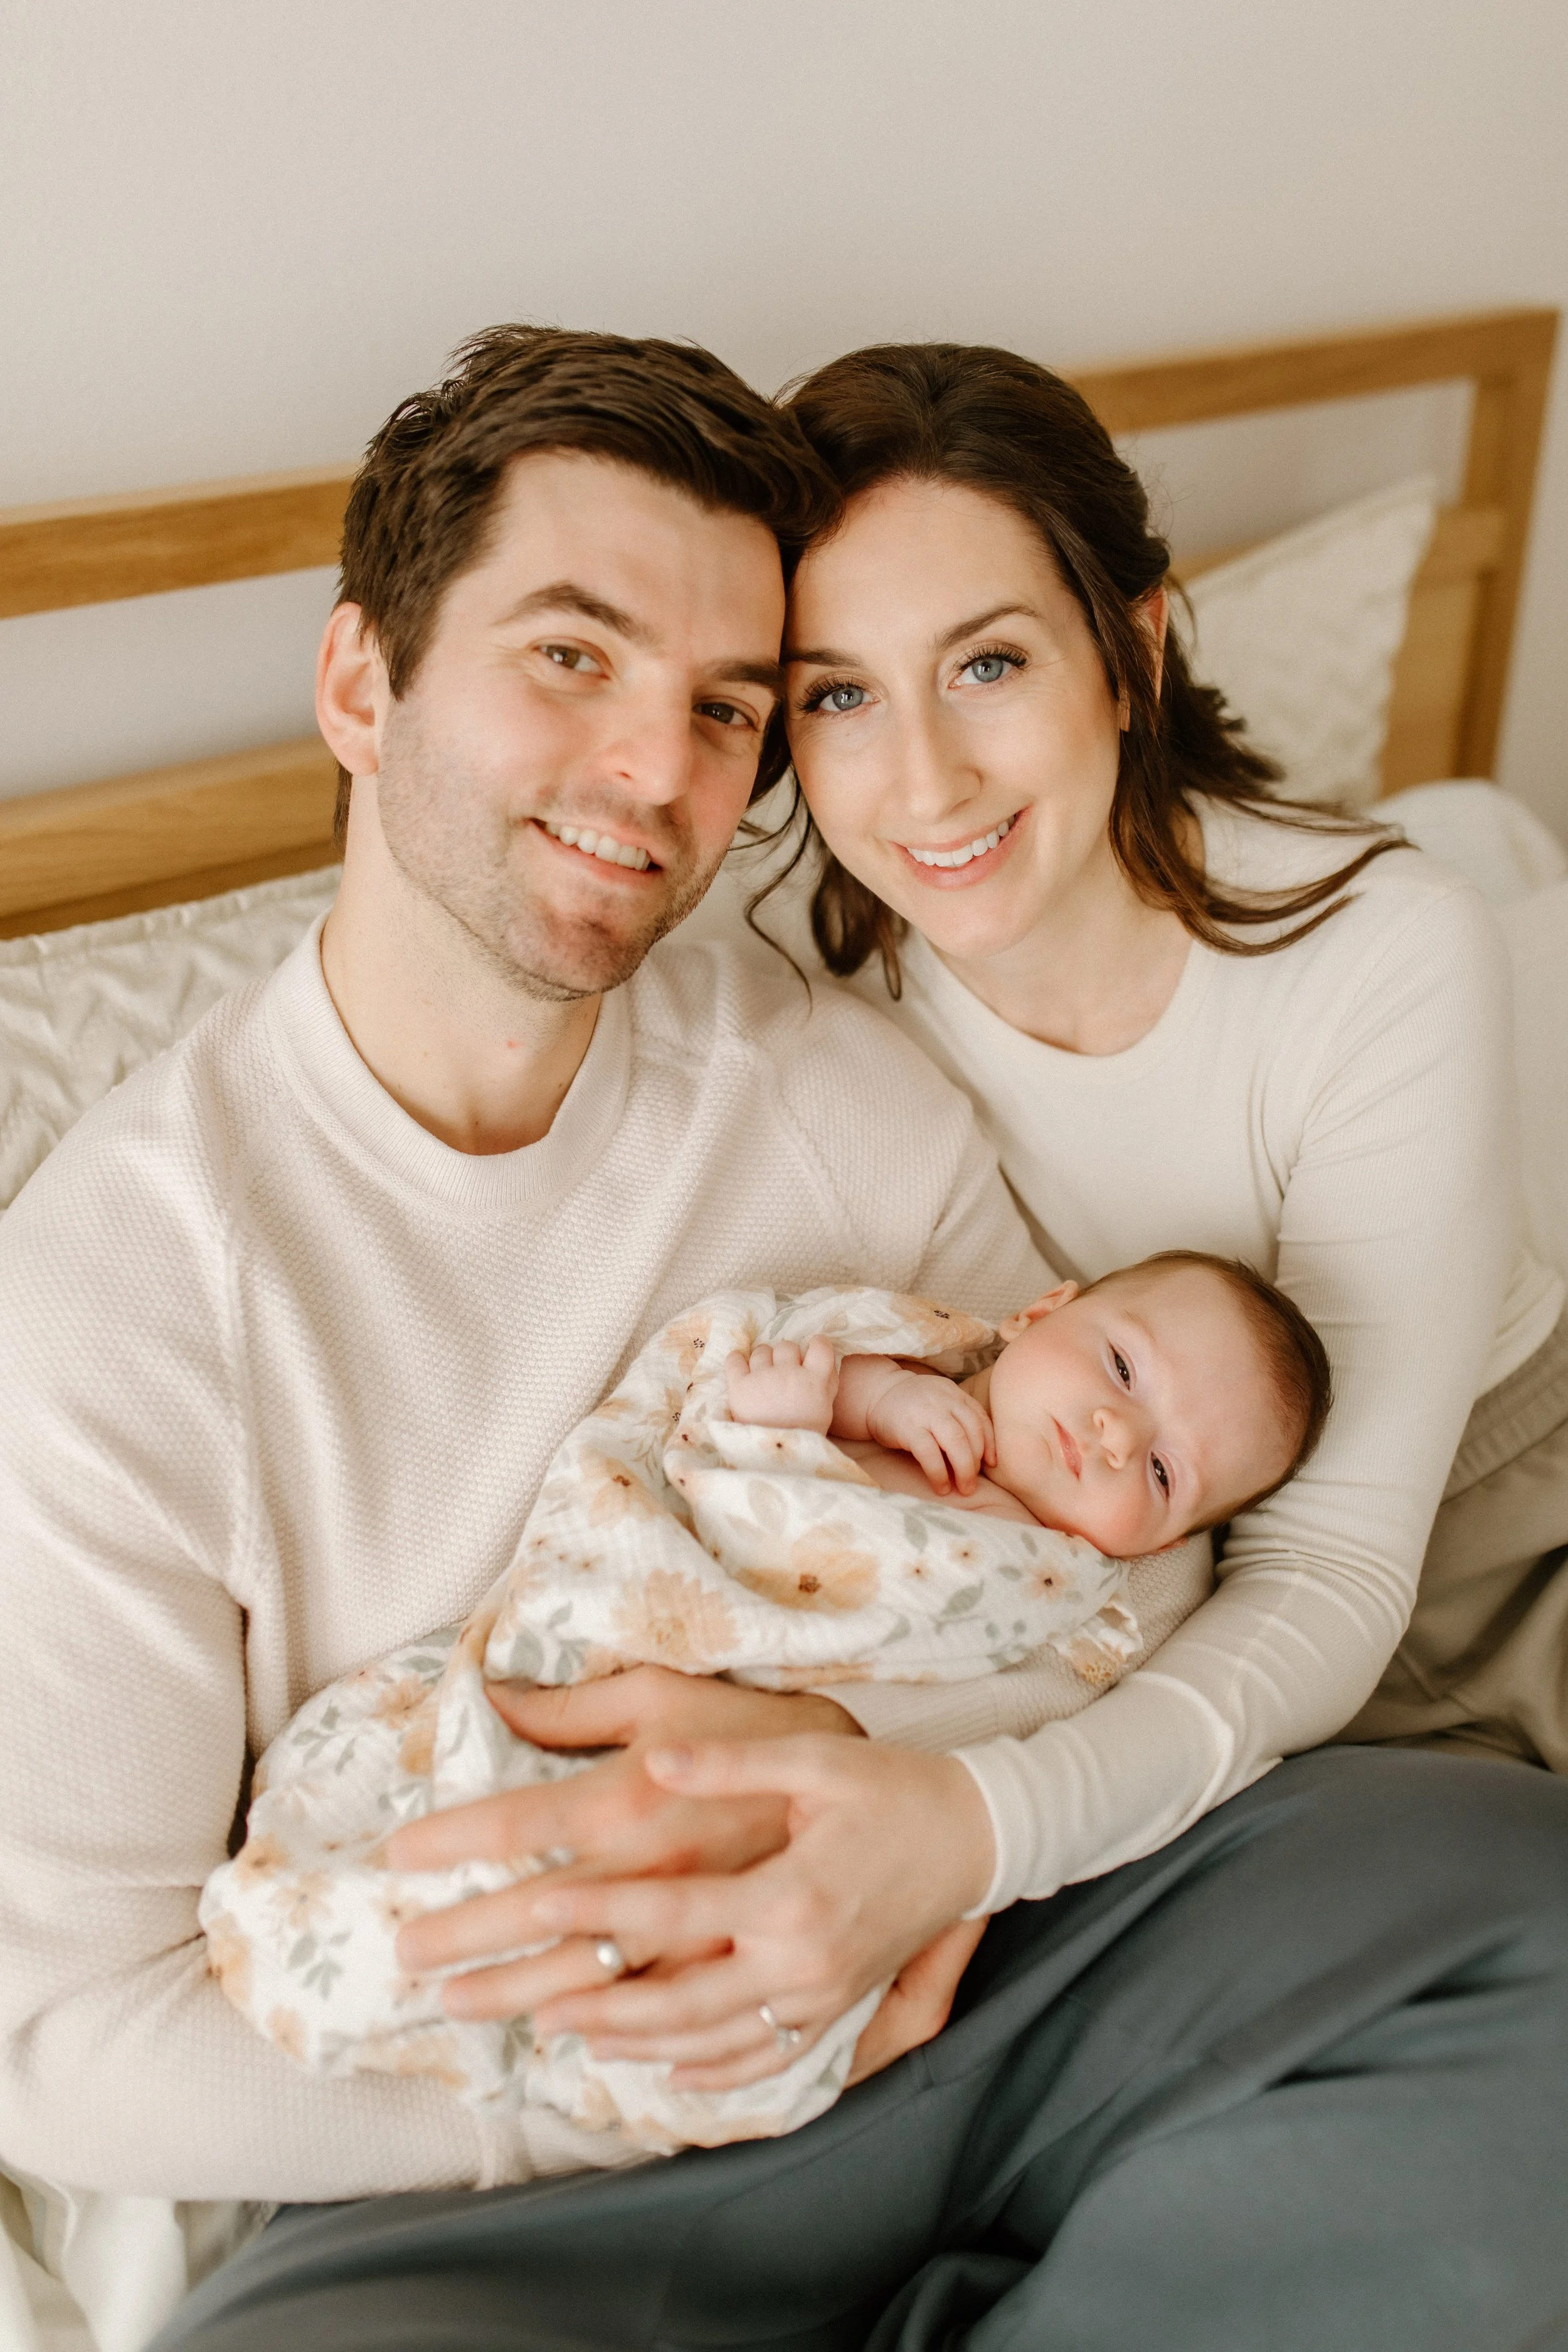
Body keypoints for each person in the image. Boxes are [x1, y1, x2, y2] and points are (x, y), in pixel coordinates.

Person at [3, 325, 1565, 2352]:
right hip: (539, 2117)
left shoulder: (841, 1083)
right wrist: (655, 2058)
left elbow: (1137, 1518)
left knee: (1526, 1920)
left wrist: (896, 1791)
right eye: (572, 656)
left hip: (1004, 1960)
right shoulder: (116, 1299)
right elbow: (66, 2044)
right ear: (360, 684)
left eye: (728, 704)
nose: (658, 768)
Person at [202, 1253, 1323, 2155]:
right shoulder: (905, 1362)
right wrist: (846, 1396)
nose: (1117, 1436)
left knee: (705, 2000)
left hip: (768, 1798)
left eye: (1166, 1474)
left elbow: (1024, 1724)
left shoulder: (1070, 1597)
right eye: (1123, 1367)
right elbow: (716, 1410)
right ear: (1041, 1310)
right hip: (631, 1635)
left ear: (1168, 1541)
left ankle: (531, 2023)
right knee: (435, 1815)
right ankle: (405, 1932)